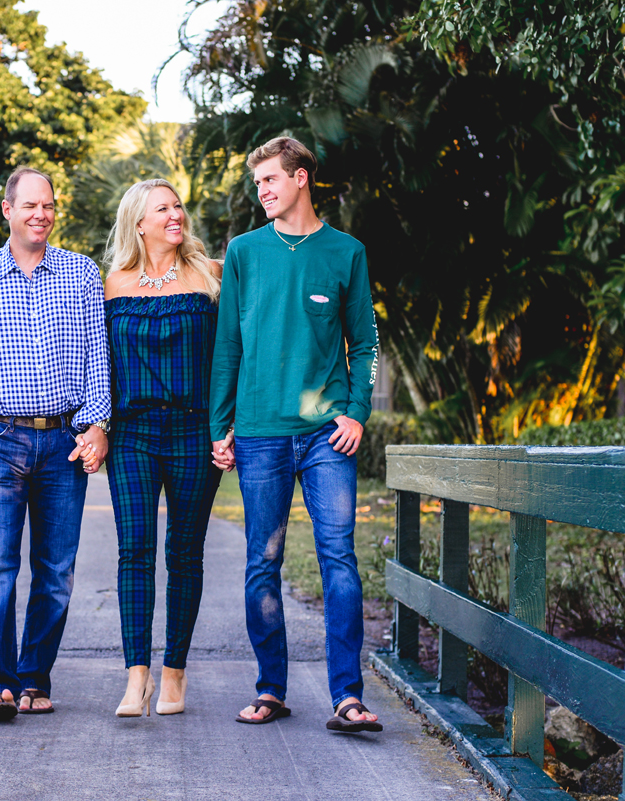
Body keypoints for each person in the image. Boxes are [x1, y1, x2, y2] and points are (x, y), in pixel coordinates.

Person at [210, 137, 383, 732]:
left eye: (271, 181)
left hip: (326, 437)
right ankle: (270, 689)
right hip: (259, 433)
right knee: (263, 562)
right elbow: (227, 343)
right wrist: (220, 424)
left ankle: (348, 696)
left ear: (302, 178)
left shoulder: (346, 253)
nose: (262, 191)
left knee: (339, 559)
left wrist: (357, 411)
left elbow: (364, 344)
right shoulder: (244, 252)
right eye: (257, 183)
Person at [0, 166, 111, 721]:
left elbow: (96, 356)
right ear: (8, 210)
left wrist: (96, 425)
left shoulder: (81, 273)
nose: (41, 214)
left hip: (63, 441)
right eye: (30, 205)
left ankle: (35, 676)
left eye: (49, 205)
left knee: (56, 571)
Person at [102, 179, 228, 718]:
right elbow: (98, 362)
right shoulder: (114, 282)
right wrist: (96, 426)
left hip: (194, 431)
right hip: (131, 433)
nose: (176, 214)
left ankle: (174, 672)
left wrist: (229, 426)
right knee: (134, 552)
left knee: (184, 554)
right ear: (139, 222)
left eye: (178, 206)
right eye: (163, 208)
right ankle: (137, 678)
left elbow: (231, 357)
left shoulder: (211, 275)